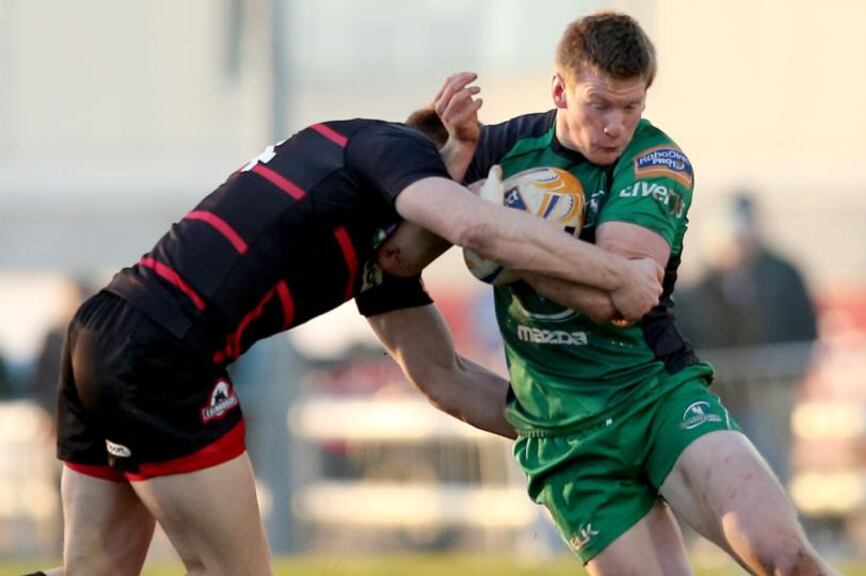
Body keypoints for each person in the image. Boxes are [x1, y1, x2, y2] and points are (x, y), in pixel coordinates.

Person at [36, 117, 664, 576]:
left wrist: (572, 430)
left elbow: (445, 378)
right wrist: (619, 276)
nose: (454, 246)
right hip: (164, 348)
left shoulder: (379, 255)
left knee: (94, 573)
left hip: (106, 327)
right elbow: (476, 224)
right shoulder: (389, 148)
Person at [383, 11, 837, 576]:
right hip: (567, 438)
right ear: (559, 90)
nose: (615, 126)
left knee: (788, 559)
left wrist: (498, 239)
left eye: (631, 106)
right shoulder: (500, 147)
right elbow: (397, 250)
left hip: (654, 395)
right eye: (599, 105)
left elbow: (619, 295)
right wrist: (452, 161)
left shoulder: (657, 159)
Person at [673, 193, 819, 483]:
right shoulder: (698, 288)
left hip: (768, 386)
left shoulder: (778, 275)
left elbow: (802, 322)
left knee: (770, 458)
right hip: (719, 391)